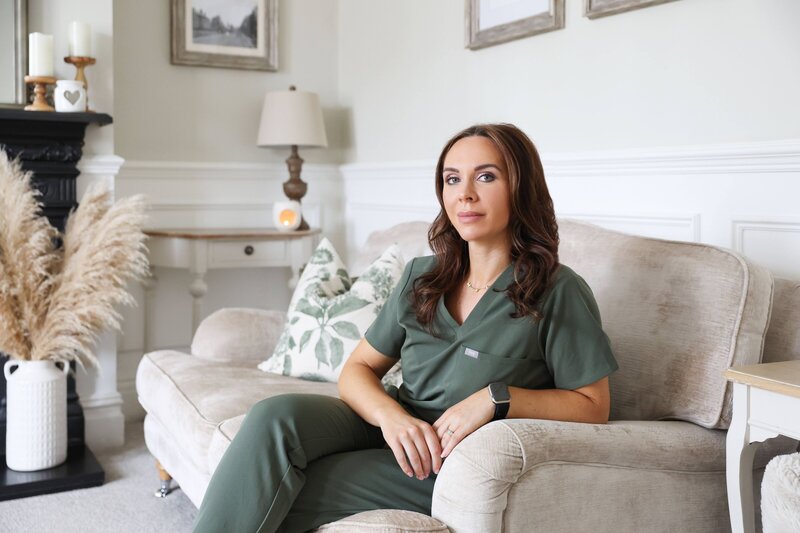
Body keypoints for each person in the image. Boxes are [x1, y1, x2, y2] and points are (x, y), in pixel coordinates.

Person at [193, 123, 618, 533]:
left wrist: (497, 399)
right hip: (397, 423)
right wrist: (392, 419)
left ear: (520, 187)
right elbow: (358, 369)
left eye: (485, 177)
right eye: (452, 179)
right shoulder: (423, 277)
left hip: (448, 461)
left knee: (288, 485)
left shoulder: (557, 291)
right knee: (274, 415)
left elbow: (593, 405)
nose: (465, 194)